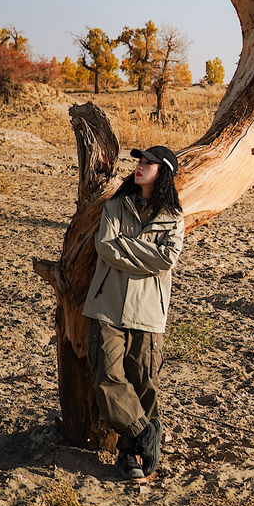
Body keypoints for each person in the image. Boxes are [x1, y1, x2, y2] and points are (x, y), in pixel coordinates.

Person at [82, 145, 184, 481]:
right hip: (106, 307)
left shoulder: (174, 218)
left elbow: (166, 259)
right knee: (107, 378)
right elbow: (105, 247)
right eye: (139, 162)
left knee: (145, 383)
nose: (139, 167)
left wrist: (126, 245)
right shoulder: (115, 205)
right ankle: (144, 434)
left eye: (148, 164)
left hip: (148, 312)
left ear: (163, 172)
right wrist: (145, 254)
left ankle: (132, 456)